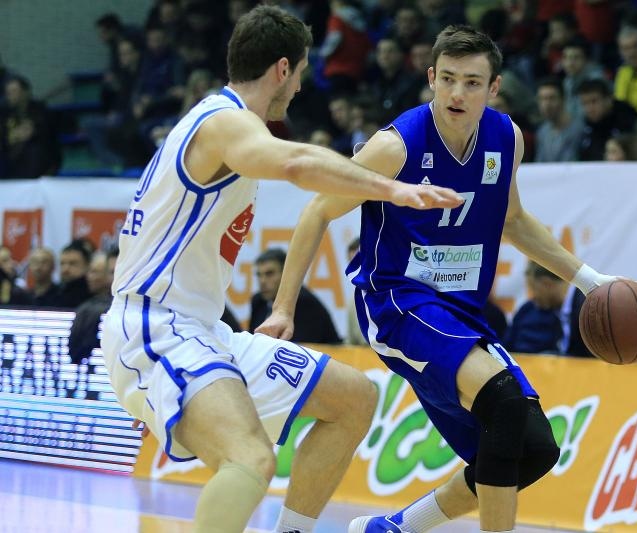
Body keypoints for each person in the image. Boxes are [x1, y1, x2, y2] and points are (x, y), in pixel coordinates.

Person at [100, 7, 462, 533]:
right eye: (300, 74)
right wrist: (391, 187)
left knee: (354, 399)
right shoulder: (225, 123)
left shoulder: (221, 124)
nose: (298, 90)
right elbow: (294, 164)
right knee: (250, 458)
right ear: (282, 69)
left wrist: (283, 307)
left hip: (203, 331)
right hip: (155, 327)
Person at [262, 25, 618, 533]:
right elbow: (318, 211)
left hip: (459, 311)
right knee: (505, 402)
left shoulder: (505, 137)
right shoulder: (397, 145)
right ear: (431, 77)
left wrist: (589, 279)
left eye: (473, 83)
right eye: (448, 79)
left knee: (533, 449)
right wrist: (282, 308)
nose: (457, 93)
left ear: (494, 89)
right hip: (397, 302)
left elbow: (512, 221)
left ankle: (395, 528)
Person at [248, 248, 341, 344]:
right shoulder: (258, 301)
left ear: (285, 275)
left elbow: (298, 349)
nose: (262, 281)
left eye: (269, 274)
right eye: (259, 275)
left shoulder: (304, 303)